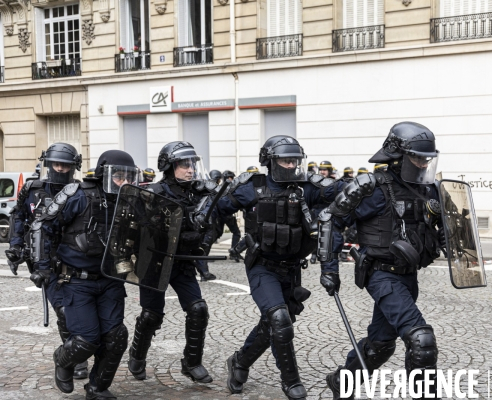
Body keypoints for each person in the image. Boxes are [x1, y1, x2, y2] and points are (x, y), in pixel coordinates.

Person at [317, 122, 445, 400]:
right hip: (381, 275)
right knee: (421, 340)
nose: (423, 164)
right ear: (397, 156)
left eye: (427, 158)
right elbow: (331, 219)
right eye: (417, 157)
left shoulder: (428, 189)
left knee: (381, 344)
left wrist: (452, 241)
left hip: (409, 276)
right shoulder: (373, 187)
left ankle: (342, 382)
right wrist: (329, 268)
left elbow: (444, 227)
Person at [214, 136, 343, 400]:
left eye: (296, 160)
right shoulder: (252, 187)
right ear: (271, 162)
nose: (292, 165)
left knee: (273, 323)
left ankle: (240, 361)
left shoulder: (307, 187)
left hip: (292, 269)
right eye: (286, 160)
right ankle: (291, 381)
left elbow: (343, 193)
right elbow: (219, 209)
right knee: (279, 320)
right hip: (262, 265)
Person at [30, 150, 139, 399]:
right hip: (76, 280)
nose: (124, 182)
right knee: (86, 339)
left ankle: (97, 389)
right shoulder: (79, 196)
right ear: (103, 174)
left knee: (116, 337)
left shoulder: (131, 202)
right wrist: (42, 266)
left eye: (128, 177)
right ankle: (63, 359)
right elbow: (42, 225)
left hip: (110, 280)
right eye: (118, 176)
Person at [128, 141, 216, 385]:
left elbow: (211, 226)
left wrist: (201, 241)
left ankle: (192, 363)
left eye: (192, 164)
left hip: (182, 263)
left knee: (198, 309)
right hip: (154, 263)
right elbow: (136, 228)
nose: (190, 169)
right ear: (168, 166)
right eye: (184, 164)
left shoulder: (198, 194)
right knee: (151, 316)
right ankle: (137, 356)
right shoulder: (152, 192)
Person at [6, 143, 89, 380]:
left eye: (65, 165)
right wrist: (15, 246)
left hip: (75, 259)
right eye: (56, 164)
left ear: (74, 167)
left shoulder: (81, 191)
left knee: (76, 310)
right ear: (48, 164)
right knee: (63, 311)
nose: (60, 169)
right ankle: (76, 359)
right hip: (45, 263)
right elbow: (19, 217)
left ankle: (77, 351)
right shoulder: (32, 188)